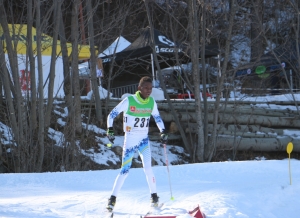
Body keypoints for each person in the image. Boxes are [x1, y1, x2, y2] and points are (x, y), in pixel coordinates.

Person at [106, 76, 168, 212]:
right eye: (146, 88)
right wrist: (110, 130)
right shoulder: (129, 101)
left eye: (151, 88)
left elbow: (157, 118)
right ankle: (112, 200)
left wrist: (163, 131)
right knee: (125, 171)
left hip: (143, 141)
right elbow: (111, 115)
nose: (149, 91)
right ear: (139, 88)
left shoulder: (151, 102)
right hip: (130, 140)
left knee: (148, 169)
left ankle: (154, 198)